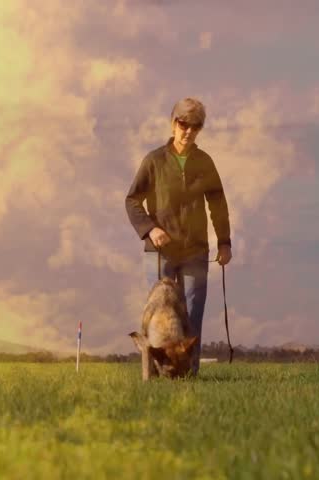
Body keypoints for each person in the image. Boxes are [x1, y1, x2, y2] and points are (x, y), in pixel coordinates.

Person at [125, 97, 232, 376]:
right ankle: (157, 372)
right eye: (183, 124)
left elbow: (218, 205)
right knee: (159, 318)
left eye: (195, 127)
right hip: (160, 251)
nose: (188, 131)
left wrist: (224, 242)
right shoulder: (153, 161)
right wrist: (151, 228)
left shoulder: (205, 162)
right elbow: (132, 201)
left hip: (195, 250)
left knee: (192, 314)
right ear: (173, 124)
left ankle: (189, 374)